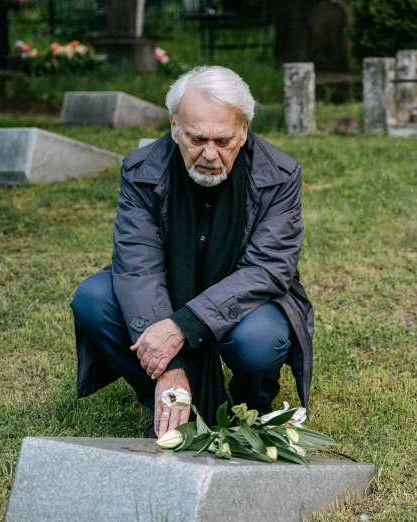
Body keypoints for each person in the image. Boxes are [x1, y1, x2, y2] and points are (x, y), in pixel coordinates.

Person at [70, 66, 313, 437]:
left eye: (224, 140)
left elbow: (268, 269)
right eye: (197, 139)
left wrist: (183, 325)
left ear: (244, 130)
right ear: (174, 127)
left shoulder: (279, 176)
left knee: (261, 340)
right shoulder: (141, 171)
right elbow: (138, 267)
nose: (210, 154)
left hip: (241, 302)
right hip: (165, 291)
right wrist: (171, 365)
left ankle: (252, 409)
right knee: (93, 298)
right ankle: (171, 399)